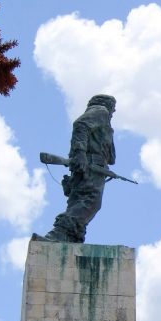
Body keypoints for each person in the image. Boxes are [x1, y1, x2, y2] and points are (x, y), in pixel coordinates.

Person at [42, 94, 116, 243]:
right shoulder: (101, 111)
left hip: (94, 166)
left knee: (80, 201)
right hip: (90, 165)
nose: (113, 112)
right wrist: (80, 153)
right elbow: (80, 124)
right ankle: (60, 233)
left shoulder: (104, 119)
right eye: (113, 107)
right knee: (90, 201)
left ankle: (71, 236)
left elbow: (112, 157)